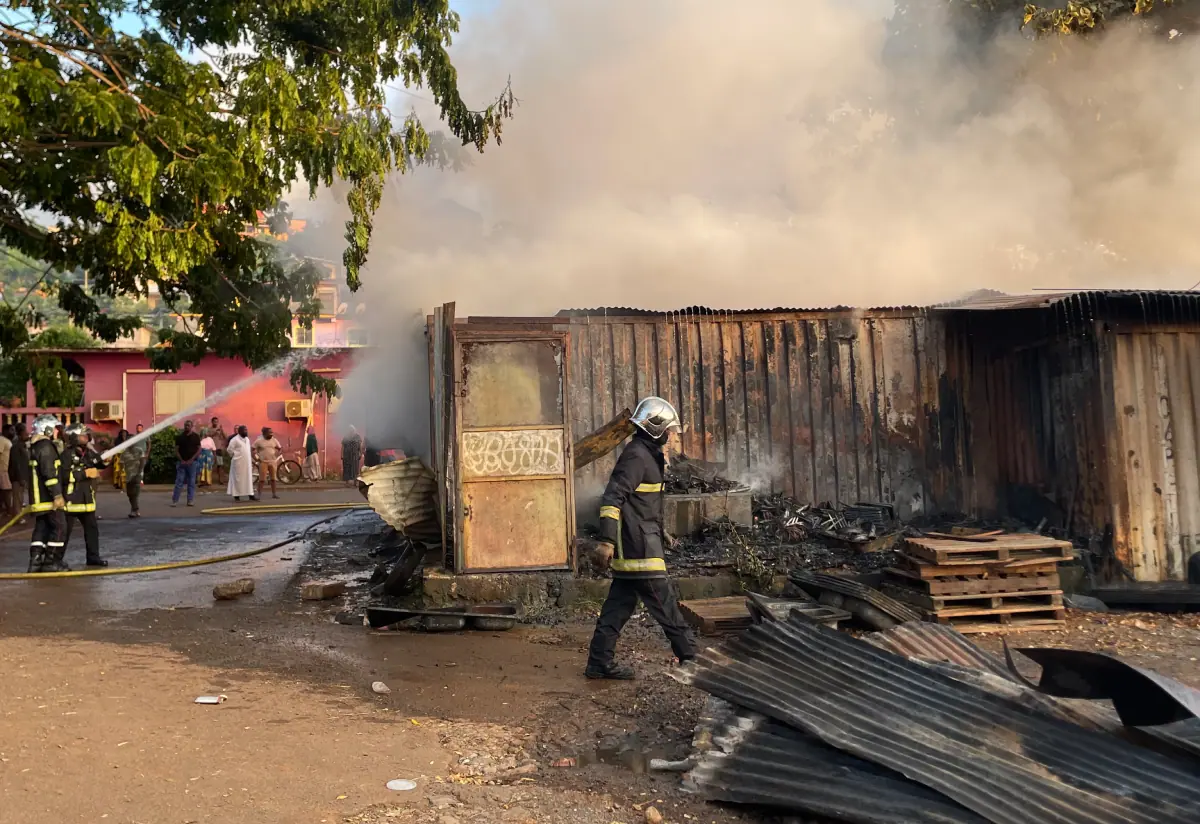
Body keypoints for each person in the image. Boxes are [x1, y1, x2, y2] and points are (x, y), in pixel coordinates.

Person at [585, 396, 696, 680]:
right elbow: (613, 498)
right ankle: (693, 659)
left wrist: (663, 532)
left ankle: (599, 663)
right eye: (669, 431)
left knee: (617, 608)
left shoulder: (646, 454)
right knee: (666, 606)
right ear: (656, 428)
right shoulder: (637, 456)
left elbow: (641, 505)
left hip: (641, 541)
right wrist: (607, 540)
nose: (672, 437)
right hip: (638, 548)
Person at [25, 414, 67, 573]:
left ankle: (35, 562)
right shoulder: (45, 447)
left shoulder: (36, 446)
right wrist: (57, 495)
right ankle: (51, 561)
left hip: (38, 498)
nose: (57, 432)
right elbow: (49, 473)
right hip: (47, 498)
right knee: (60, 527)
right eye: (55, 429)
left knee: (42, 528)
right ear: (47, 429)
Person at [61, 422, 107, 568]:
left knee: (92, 530)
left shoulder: (88, 452)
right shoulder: (66, 455)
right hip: (71, 500)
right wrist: (84, 473)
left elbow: (98, 462)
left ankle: (93, 558)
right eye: (83, 435)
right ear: (74, 437)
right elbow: (63, 476)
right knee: (63, 533)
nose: (87, 436)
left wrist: (106, 461)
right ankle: (56, 560)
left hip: (87, 500)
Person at [172, 419, 202, 507]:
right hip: (182, 463)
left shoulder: (196, 436)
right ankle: (175, 500)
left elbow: (199, 449)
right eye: (185, 425)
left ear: (191, 426)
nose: (186, 427)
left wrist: (192, 459)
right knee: (179, 482)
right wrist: (181, 460)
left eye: (188, 425)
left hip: (192, 463)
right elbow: (176, 450)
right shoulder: (180, 437)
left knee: (191, 482)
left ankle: (190, 500)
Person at [120, 430, 147, 518]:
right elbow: (121, 463)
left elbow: (143, 461)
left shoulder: (139, 450)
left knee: (135, 493)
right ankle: (135, 509)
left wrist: (139, 472)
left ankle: (134, 510)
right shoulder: (124, 452)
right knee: (130, 494)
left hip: (137, 474)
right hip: (128, 475)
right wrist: (121, 472)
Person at [226, 425, 255, 501]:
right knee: (237, 480)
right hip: (238, 463)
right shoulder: (234, 440)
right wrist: (235, 456)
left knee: (248, 479)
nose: (246, 431)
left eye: (246, 430)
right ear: (239, 431)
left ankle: (251, 495)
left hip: (247, 463)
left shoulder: (247, 439)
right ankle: (237, 496)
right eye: (244, 430)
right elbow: (229, 450)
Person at [9, 422, 29, 526]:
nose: (28, 434)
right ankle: (17, 518)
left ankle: (17, 516)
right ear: (20, 434)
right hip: (17, 477)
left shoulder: (22, 445)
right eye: (26, 433)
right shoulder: (16, 447)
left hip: (21, 476)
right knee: (18, 498)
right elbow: (16, 464)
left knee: (20, 498)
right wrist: (21, 478)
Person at [254, 426, 282, 500]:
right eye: (269, 433)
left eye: (272, 433)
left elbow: (279, 448)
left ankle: (274, 494)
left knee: (273, 479)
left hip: (272, 462)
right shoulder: (259, 440)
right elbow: (252, 449)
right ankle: (259, 495)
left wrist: (277, 454)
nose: (271, 434)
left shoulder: (274, 440)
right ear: (264, 433)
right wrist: (257, 458)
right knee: (262, 479)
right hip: (263, 462)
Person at [209, 416, 228, 485]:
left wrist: (222, 431)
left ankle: (221, 480)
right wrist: (214, 433)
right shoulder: (209, 429)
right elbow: (207, 438)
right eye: (214, 421)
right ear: (212, 422)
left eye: (217, 421)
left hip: (219, 449)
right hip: (211, 449)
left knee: (220, 465)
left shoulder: (220, 429)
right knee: (210, 465)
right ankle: (209, 480)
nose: (216, 423)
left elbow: (226, 438)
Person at [0, 424, 12, 522]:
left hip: (7, 469)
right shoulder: (2, 440)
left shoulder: (7, 441)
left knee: (6, 490)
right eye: (11, 430)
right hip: (3, 469)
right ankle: (8, 510)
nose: (13, 432)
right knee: (6, 490)